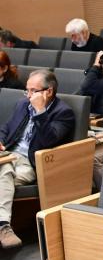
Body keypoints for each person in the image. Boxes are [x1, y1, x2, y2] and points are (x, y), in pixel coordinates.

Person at [0, 69, 74, 248]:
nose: (29, 95)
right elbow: (7, 127)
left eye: (34, 91)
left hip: (34, 162)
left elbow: (47, 141)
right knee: (5, 168)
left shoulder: (63, 113)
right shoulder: (22, 104)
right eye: (27, 90)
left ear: (48, 91)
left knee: (4, 171)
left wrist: (41, 111)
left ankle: (3, 226)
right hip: (10, 154)